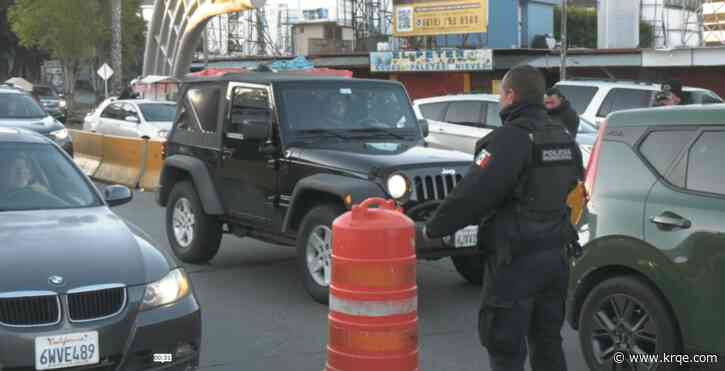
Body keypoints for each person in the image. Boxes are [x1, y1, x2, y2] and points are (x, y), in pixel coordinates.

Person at [422, 65, 583, 371]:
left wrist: (434, 228)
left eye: (501, 95)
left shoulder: (511, 138)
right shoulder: (563, 137)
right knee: (548, 343)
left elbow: (473, 193)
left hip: (516, 261)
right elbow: (574, 187)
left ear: (510, 95)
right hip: (556, 259)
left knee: (505, 348)